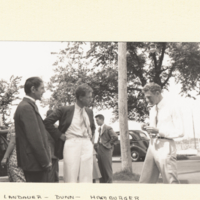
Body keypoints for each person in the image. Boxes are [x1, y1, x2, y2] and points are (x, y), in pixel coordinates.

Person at [44, 83, 95, 183]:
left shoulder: (89, 111)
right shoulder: (64, 110)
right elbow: (47, 122)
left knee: (87, 175)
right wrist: (59, 135)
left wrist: (90, 139)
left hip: (86, 143)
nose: (91, 99)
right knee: (71, 173)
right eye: (89, 97)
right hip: (72, 142)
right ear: (80, 97)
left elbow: (92, 127)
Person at [139, 82, 184, 184]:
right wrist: (146, 127)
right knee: (145, 182)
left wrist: (159, 131)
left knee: (170, 181)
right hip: (152, 145)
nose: (147, 100)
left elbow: (181, 132)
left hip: (166, 146)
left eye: (149, 97)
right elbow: (155, 128)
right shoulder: (153, 109)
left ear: (157, 93)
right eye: (146, 97)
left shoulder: (173, 107)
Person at [14, 77, 52, 182]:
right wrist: (45, 161)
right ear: (33, 89)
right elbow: (34, 138)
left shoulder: (27, 105)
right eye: (42, 88)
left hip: (34, 162)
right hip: (35, 163)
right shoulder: (26, 107)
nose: (44, 91)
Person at [95, 114, 118, 183]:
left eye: (97, 120)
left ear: (102, 120)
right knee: (101, 168)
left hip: (106, 149)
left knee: (107, 168)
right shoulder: (99, 129)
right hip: (100, 149)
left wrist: (108, 144)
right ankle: (102, 183)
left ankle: (109, 183)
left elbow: (115, 137)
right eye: (96, 120)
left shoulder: (108, 128)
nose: (96, 122)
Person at [46, 109, 59, 182]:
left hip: (47, 153)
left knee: (49, 174)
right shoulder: (55, 127)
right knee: (54, 174)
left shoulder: (42, 125)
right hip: (53, 152)